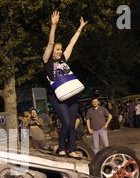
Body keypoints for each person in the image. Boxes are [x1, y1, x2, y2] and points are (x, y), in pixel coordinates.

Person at [43, 10, 88, 158]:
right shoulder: (47, 61)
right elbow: (50, 43)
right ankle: (61, 148)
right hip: (58, 97)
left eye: (60, 49)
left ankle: (72, 149)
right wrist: (53, 25)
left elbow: (72, 43)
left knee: (73, 123)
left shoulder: (63, 59)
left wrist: (80, 28)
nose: (59, 51)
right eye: (57, 49)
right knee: (67, 123)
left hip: (72, 96)